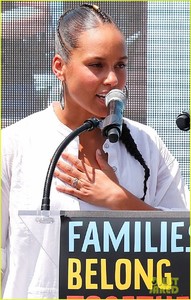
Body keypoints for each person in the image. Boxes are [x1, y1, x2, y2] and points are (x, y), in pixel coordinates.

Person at [1, 3, 190, 299]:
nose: (113, 80)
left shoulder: (149, 145)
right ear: (59, 67)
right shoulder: (14, 144)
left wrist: (119, 200)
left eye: (120, 65)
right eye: (97, 65)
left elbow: (183, 247)